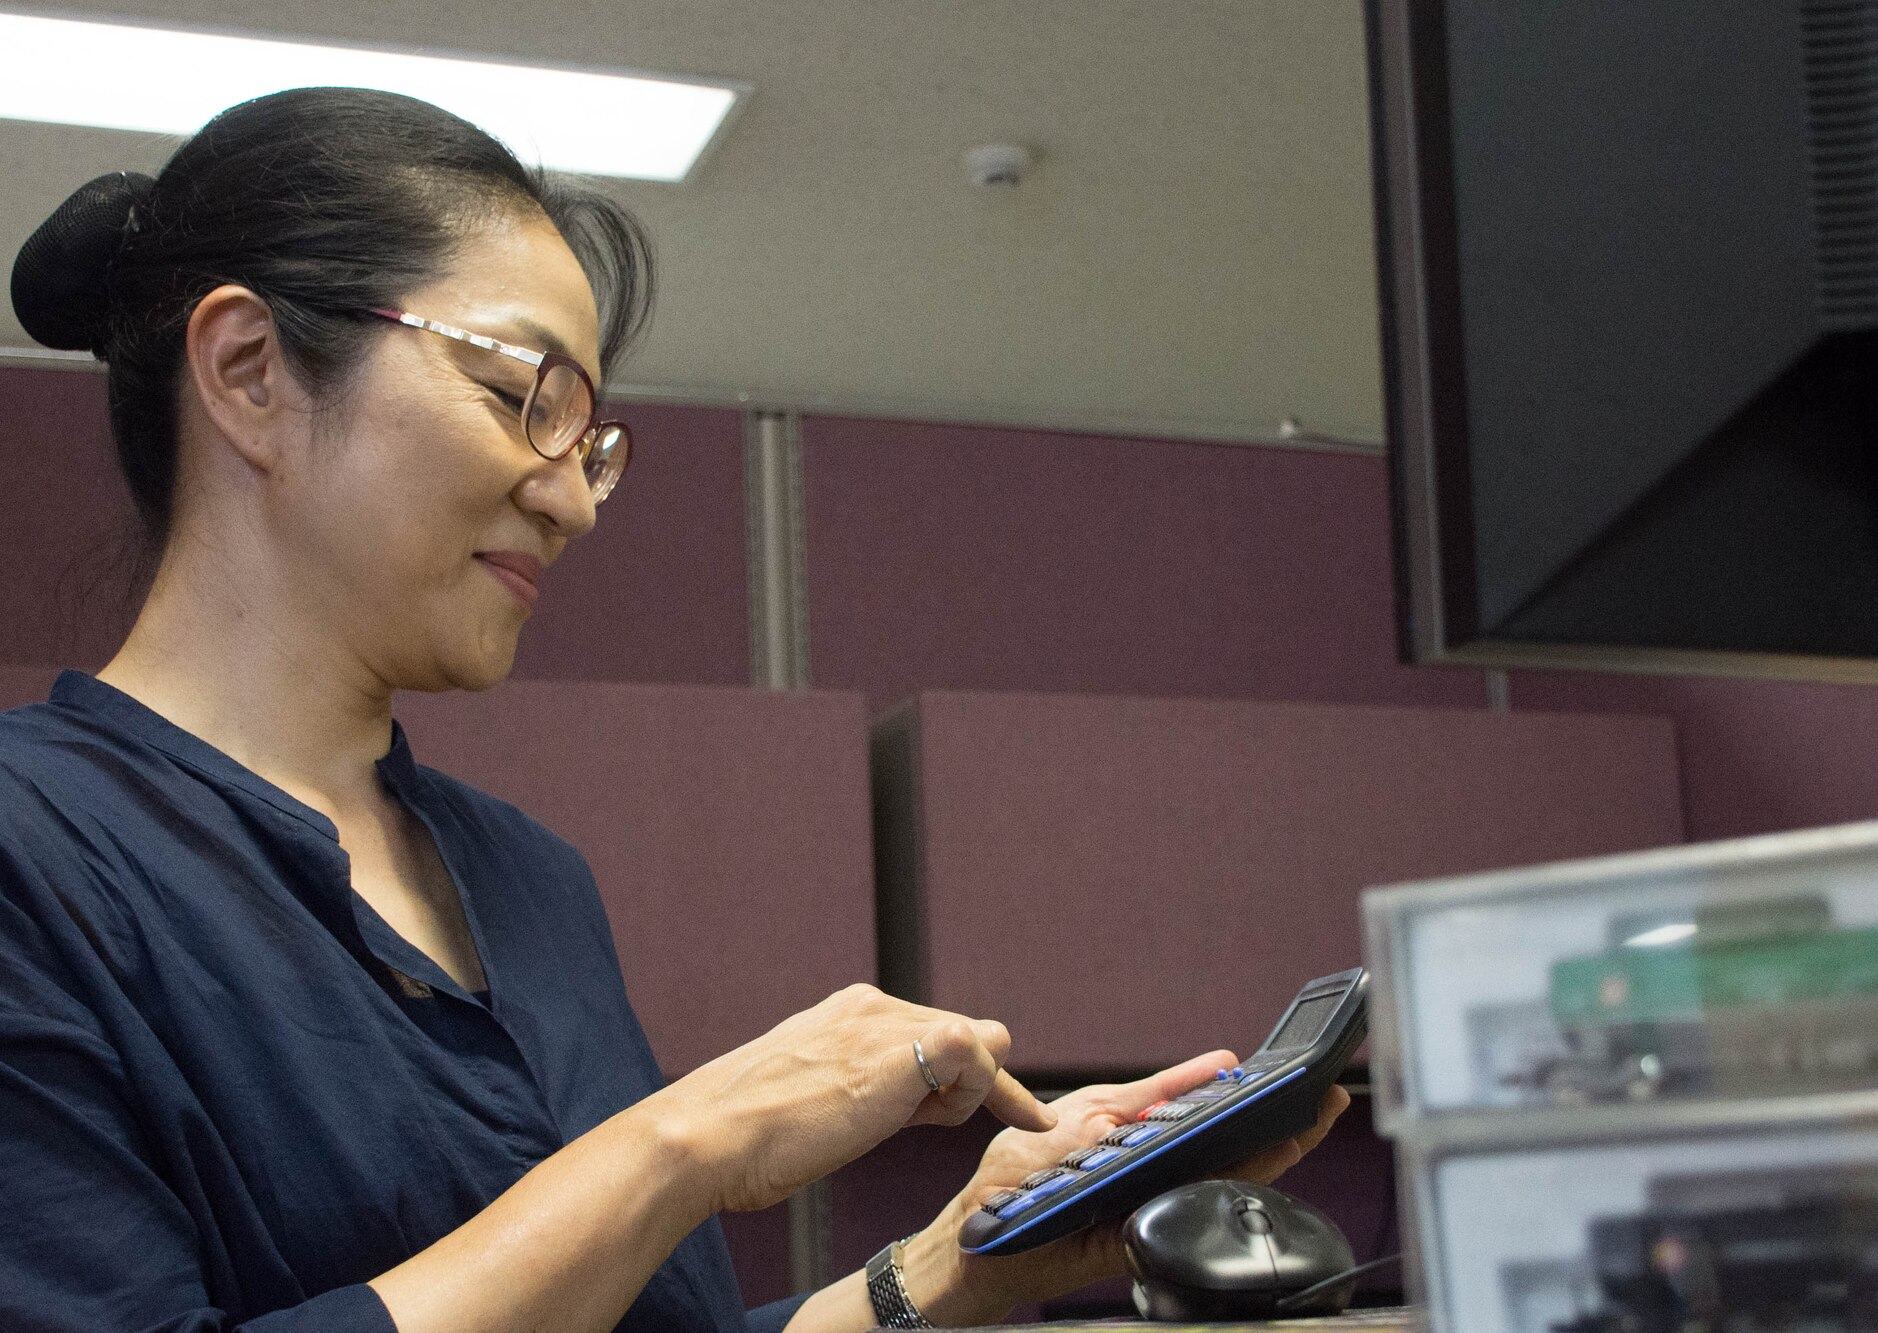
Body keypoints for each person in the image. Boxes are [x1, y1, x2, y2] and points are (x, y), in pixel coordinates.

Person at [0, 88, 1347, 1332]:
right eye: (524, 396)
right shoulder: (38, 856)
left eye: (590, 445)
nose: (574, 499)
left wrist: (948, 1263)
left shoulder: (528, 881)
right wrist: (685, 1140)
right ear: (248, 372)